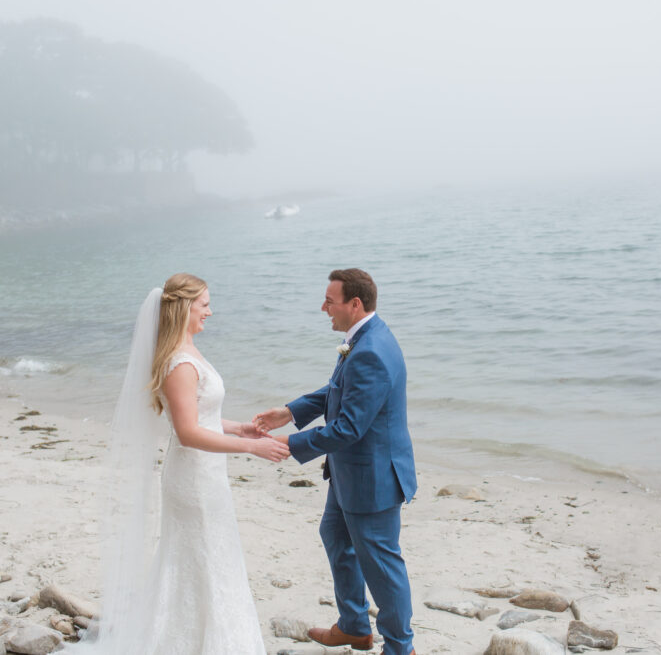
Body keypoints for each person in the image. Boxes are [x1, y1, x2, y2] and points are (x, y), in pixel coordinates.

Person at [73, 273, 288, 654]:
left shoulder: (189, 353)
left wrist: (239, 428)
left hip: (205, 475)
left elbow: (200, 416)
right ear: (184, 307)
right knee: (203, 562)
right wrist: (250, 449)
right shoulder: (180, 363)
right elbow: (188, 432)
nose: (210, 311)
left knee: (209, 560)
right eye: (204, 304)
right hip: (193, 479)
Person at [255, 268, 418, 655]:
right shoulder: (364, 339)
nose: (323, 307)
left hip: (372, 478)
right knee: (335, 536)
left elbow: (348, 428)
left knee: (382, 564)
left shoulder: (372, 352)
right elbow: (338, 390)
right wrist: (290, 411)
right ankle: (354, 626)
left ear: (355, 304)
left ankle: (400, 648)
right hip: (350, 472)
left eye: (330, 301)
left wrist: (289, 444)